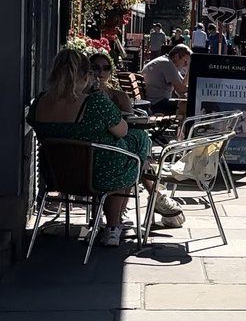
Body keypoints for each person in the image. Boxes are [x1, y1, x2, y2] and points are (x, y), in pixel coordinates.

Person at [28, 48, 150, 248]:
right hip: (99, 177)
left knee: (121, 154)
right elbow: (122, 130)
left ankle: (110, 223)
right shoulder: (95, 102)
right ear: (86, 76)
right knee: (136, 141)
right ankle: (113, 226)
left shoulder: (40, 102)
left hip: (56, 176)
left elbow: (32, 121)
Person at [89, 53, 184, 226]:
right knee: (136, 149)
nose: (100, 72)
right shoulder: (84, 97)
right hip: (97, 158)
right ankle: (154, 195)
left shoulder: (118, 96)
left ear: (111, 71)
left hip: (111, 152)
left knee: (134, 148)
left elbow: (129, 122)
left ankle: (141, 202)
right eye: (95, 67)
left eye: (106, 68)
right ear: (87, 70)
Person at [142, 45, 191, 113]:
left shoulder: (165, 61)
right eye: (185, 61)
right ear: (176, 56)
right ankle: (183, 124)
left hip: (152, 101)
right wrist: (196, 90)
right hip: (157, 104)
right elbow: (181, 90)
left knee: (184, 102)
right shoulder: (167, 64)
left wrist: (189, 70)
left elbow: (182, 84)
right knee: (187, 105)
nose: (185, 65)